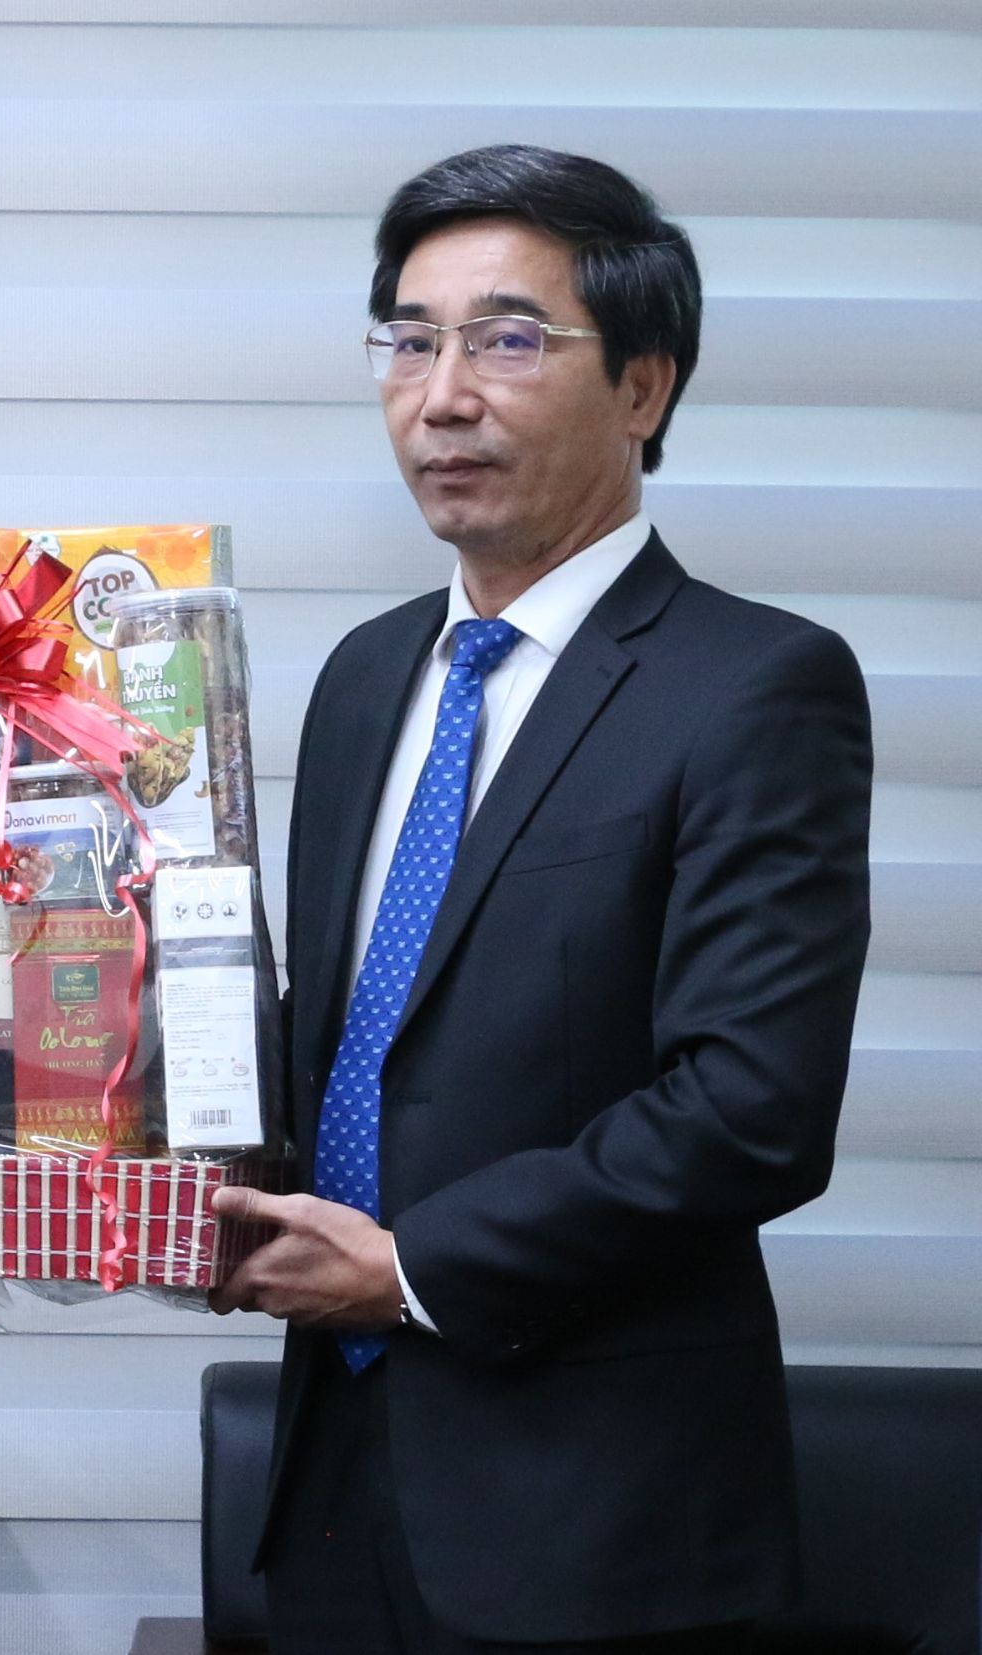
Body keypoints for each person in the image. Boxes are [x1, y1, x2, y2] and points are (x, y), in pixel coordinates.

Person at [210, 145, 873, 1652]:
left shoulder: (757, 685)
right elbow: (343, 1041)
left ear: (644, 384)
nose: (442, 395)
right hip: (334, 1492)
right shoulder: (368, 676)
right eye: (409, 339)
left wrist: (411, 1271)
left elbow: (748, 1108)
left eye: (508, 339)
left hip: (600, 1520)